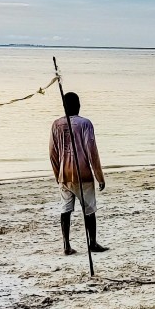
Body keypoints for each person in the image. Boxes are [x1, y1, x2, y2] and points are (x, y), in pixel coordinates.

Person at [49, 92, 108, 256]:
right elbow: (92, 152)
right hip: (82, 173)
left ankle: (66, 245)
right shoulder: (85, 124)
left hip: (64, 174)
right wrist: (99, 176)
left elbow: (52, 154)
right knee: (89, 209)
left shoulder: (56, 124)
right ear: (78, 105)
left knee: (66, 209)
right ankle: (92, 242)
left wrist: (57, 174)